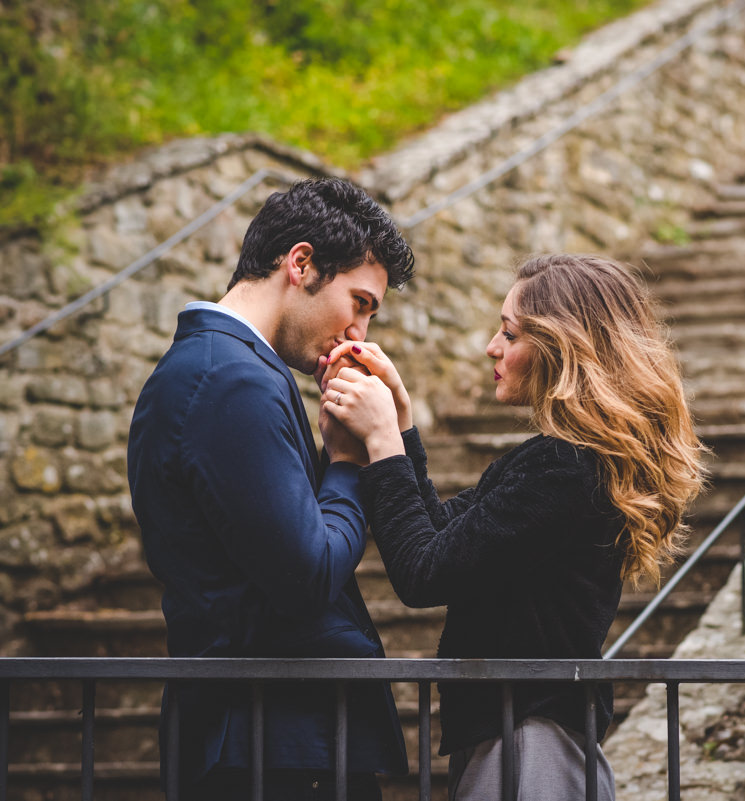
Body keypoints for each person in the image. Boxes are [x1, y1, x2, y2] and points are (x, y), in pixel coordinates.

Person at [320, 253, 707, 800]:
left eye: (509, 333)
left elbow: (422, 574)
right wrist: (402, 422)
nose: (491, 347)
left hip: (529, 742)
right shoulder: (560, 463)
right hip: (516, 734)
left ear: (562, 347)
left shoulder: (566, 470)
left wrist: (382, 442)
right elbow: (437, 539)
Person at [127, 177, 414, 801]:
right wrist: (345, 459)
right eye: (359, 302)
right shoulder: (231, 380)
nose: (359, 331)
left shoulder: (221, 370)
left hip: (263, 741)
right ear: (301, 263)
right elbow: (309, 574)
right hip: (272, 750)